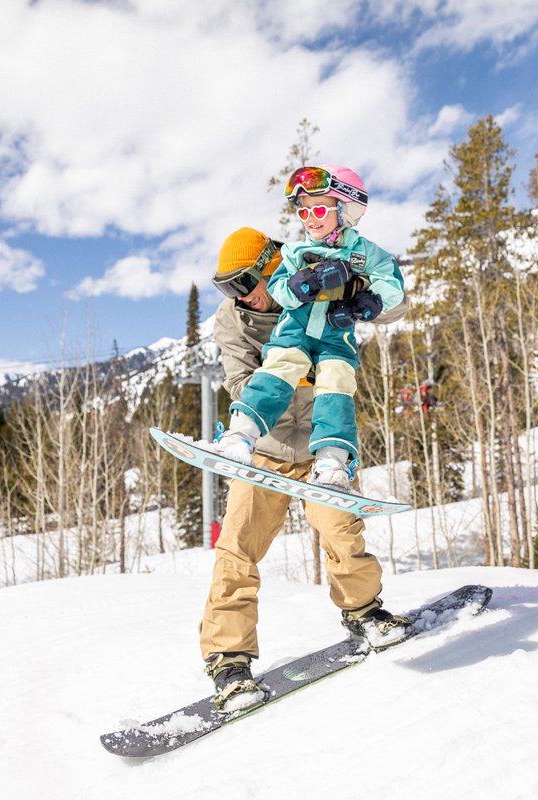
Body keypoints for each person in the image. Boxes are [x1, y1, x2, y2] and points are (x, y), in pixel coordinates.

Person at [201, 226, 410, 711]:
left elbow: (395, 306)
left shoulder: (312, 284)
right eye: (226, 287)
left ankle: (364, 612)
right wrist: (294, 368)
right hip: (266, 453)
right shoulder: (230, 321)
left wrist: (354, 289)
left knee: (343, 533)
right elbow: (238, 383)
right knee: (236, 551)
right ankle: (229, 661)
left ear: (271, 266)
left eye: (243, 282)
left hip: (320, 453)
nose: (239, 296)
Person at [213, 165, 406, 491]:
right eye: (303, 211)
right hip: (296, 331)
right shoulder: (296, 252)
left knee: (336, 387)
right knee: (276, 370)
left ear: (344, 210)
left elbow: (393, 285)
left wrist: (368, 298)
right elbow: (280, 290)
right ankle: (241, 434)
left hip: (335, 336)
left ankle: (332, 460)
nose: (310, 218)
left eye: (318, 209)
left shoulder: (364, 254)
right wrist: (303, 285)